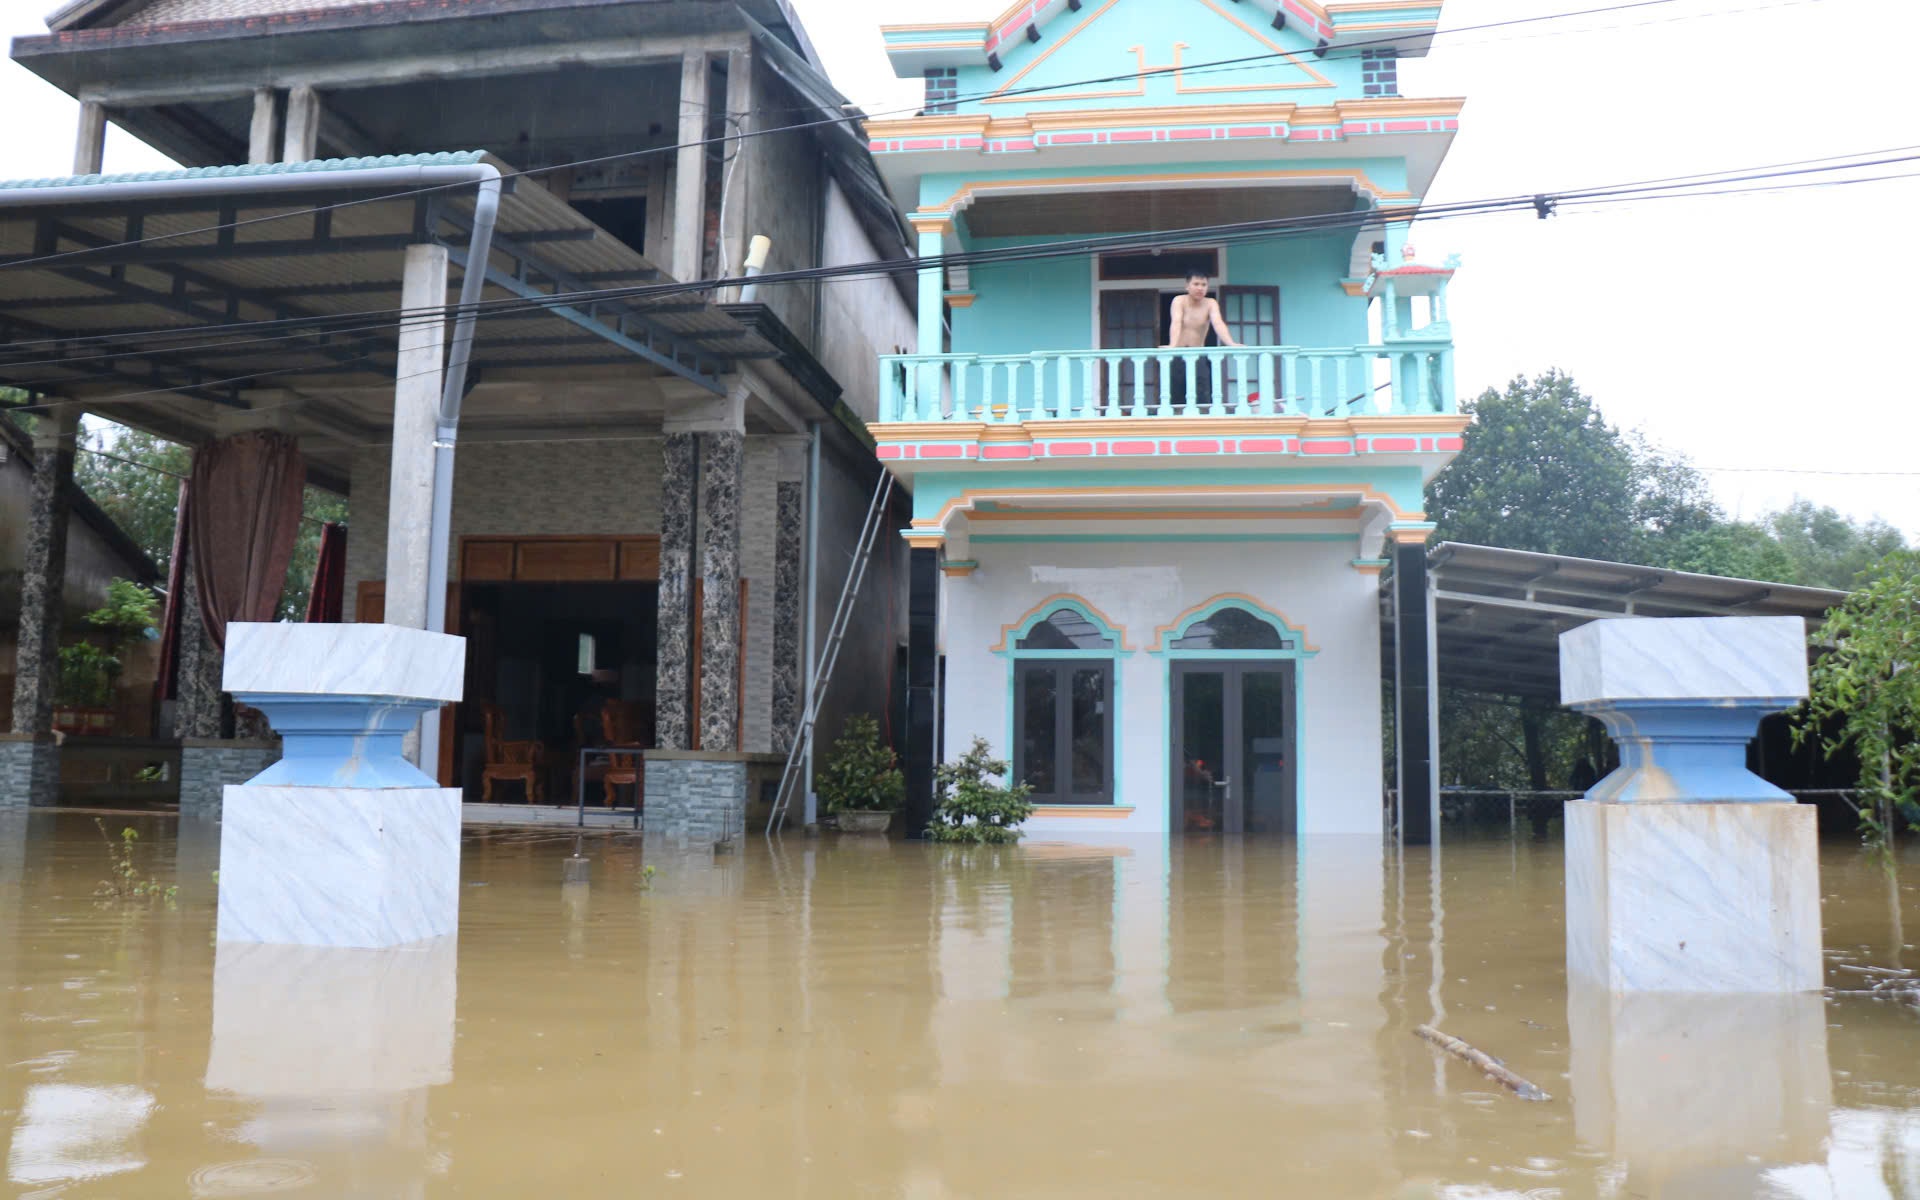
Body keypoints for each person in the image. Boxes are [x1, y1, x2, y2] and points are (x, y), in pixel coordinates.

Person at [1166, 270, 1236, 407]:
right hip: (1178, 354)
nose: (1200, 288)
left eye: (1204, 285)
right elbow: (1176, 322)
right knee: (1176, 394)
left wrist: (1231, 343)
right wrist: (1172, 345)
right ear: (1187, 286)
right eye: (1196, 284)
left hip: (1198, 355)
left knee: (1202, 395)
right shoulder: (1179, 300)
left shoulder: (1210, 303)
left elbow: (1218, 323)